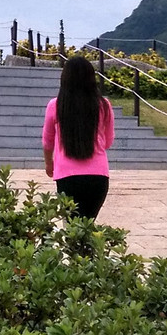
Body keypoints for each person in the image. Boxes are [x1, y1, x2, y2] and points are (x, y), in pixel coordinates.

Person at [42, 54, 114, 219]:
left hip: (67, 178)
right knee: (88, 227)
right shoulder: (104, 105)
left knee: (72, 230)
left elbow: (47, 142)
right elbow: (107, 142)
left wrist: (49, 163)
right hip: (98, 178)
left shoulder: (55, 105)